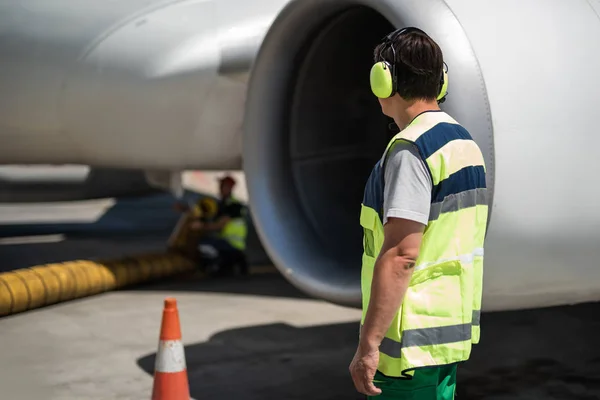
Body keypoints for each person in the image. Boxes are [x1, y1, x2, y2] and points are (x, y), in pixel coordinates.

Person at [348, 27, 488, 399]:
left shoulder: (411, 149)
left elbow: (401, 254)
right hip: (444, 339)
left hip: (407, 351)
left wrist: (369, 344)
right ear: (440, 81)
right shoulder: (463, 142)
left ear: (385, 81)